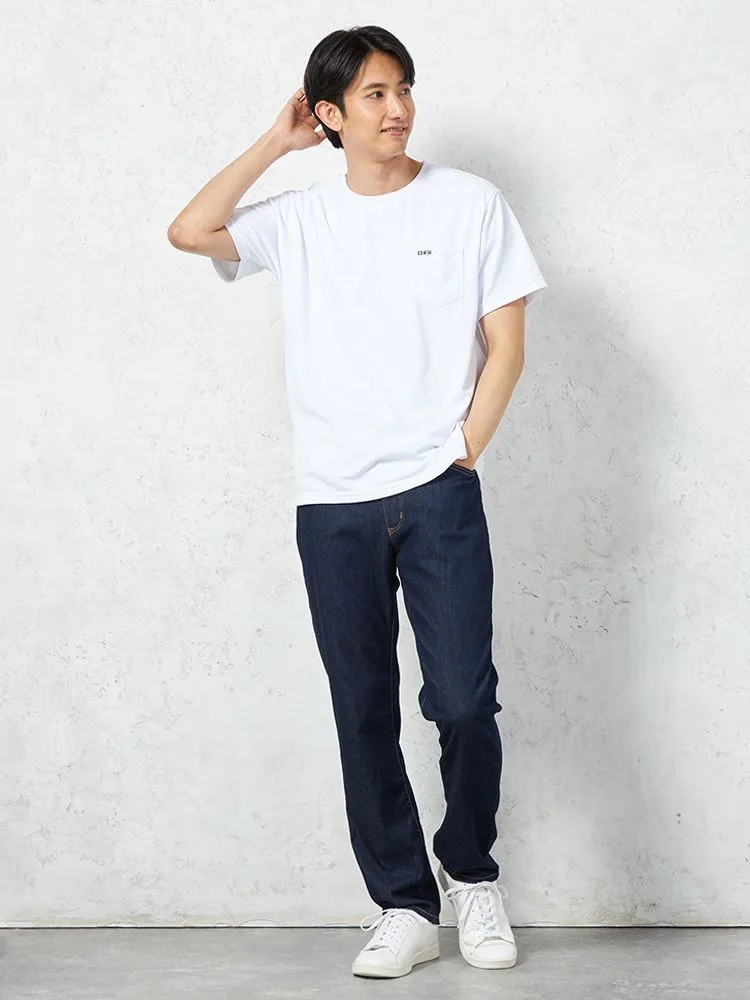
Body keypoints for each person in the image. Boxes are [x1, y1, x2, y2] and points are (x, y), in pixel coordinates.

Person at [167, 24, 548, 980]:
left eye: (404, 87)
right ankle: (403, 903)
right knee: (362, 708)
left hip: (438, 491)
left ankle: (471, 873)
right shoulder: (301, 218)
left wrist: (462, 451)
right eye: (375, 94)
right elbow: (190, 230)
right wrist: (277, 142)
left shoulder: (470, 203)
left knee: (463, 701)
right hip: (332, 503)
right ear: (331, 115)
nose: (399, 108)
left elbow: (505, 344)